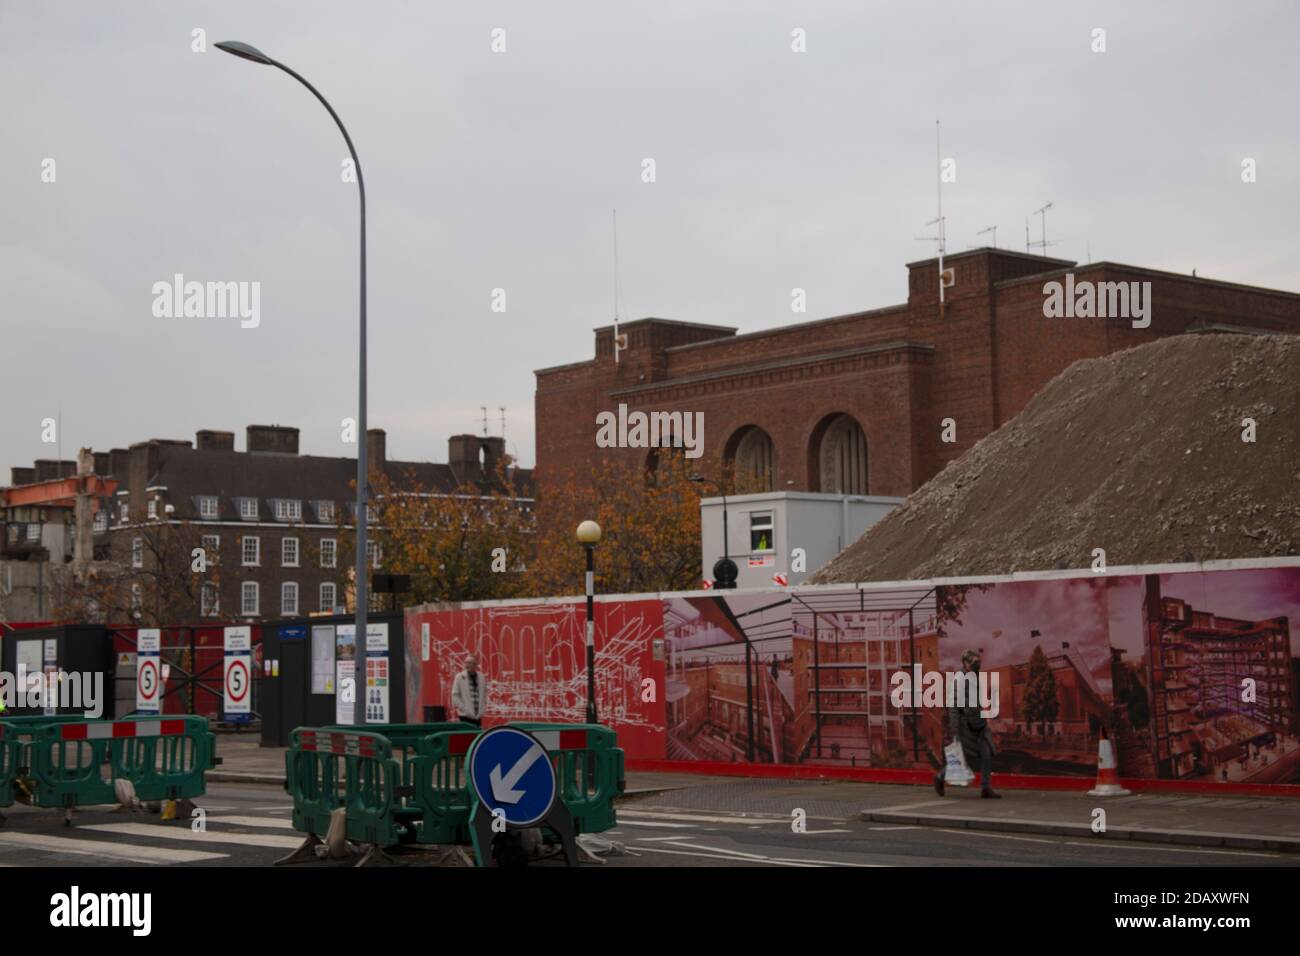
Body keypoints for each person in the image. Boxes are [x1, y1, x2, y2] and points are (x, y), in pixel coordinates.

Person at [934, 649, 1001, 798]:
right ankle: (940, 777)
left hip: (979, 724)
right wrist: (955, 731)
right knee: (961, 757)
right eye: (974, 663)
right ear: (965, 663)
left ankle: (985, 788)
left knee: (986, 753)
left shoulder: (975, 677)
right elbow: (953, 706)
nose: (977, 665)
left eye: (978, 663)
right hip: (965, 726)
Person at [451, 654, 487, 727]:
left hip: (478, 716)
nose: (467, 665)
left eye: (470, 663)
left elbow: (484, 695)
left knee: (477, 736)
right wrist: (464, 710)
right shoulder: (460, 677)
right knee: (466, 736)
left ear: (475, 665)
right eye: (466, 662)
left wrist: (482, 711)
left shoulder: (481, 677)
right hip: (465, 716)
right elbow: (455, 696)